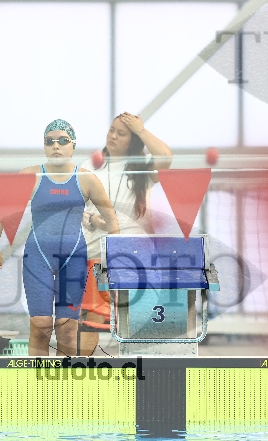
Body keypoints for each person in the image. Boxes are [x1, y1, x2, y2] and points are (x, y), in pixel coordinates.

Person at [0, 119, 119, 357]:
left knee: (67, 329)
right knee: (41, 326)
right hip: (38, 255)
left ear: (73, 146)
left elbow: (111, 219)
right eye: (50, 141)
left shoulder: (86, 179)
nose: (56, 146)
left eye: (62, 141)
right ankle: (37, 380)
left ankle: (62, 380)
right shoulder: (31, 175)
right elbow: (2, 212)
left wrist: (115, 255)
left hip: (74, 258)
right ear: (44, 146)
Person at [78, 112, 173, 355]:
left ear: (133, 141)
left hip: (133, 252)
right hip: (96, 250)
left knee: (135, 314)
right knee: (92, 317)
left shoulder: (143, 167)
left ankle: (137, 366)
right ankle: (82, 368)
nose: (113, 136)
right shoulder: (90, 167)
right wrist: (92, 220)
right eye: (111, 130)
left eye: (121, 133)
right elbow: (75, 209)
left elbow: (166, 156)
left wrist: (141, 130)